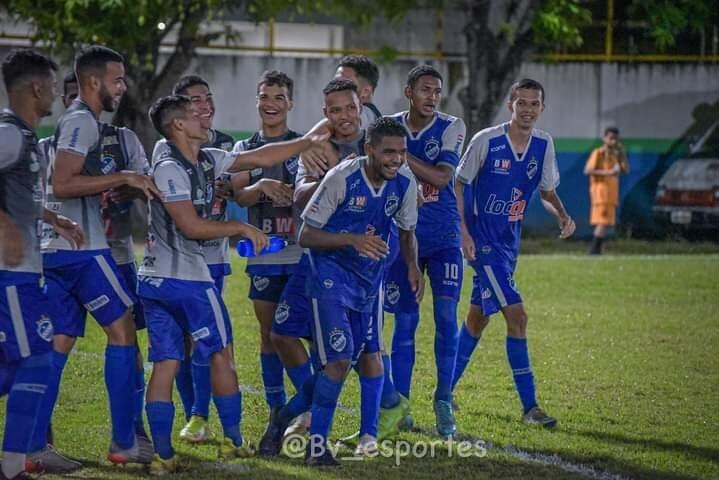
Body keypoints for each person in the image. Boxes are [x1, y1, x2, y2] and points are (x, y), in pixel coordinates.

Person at [140, 94, 328, 474]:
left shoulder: (206, 157)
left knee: (165, 364)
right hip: (187, 280)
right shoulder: (169, 167)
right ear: (178, 125)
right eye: (195, 115)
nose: (204, 117)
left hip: (154, 282)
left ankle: (162, 455)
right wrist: (241, 226)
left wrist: (310, 139)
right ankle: (232, 443)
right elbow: (191, 227)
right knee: (220, 355)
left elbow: (262, 157)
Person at [31, 45, 160, 468]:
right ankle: (125, 443)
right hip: (83, 251)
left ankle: (33, 447)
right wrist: (123, 176)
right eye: (117, 79)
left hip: (55, 249)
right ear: (93, 82)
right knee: (123, 331)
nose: (122, 87)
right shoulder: (82, 122)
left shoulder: (77, 123)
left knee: (58, 343)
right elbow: (64, 183)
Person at [452, 78, 575, 428]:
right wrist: (463, 233)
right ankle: (530, 407)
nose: (528, 110)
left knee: (477, 319)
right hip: (483, 243)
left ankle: (443, 392)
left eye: (534, 104)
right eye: (522, 103)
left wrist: (564, 217)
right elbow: (458, 186)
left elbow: (547, 193)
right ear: (511, 104)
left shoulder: (543, 143)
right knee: (517, 317)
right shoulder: (486, 141)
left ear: (541, 108)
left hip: (509, 245)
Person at [298, 117, 421, 466]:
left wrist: (412, 266)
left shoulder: (405, 183)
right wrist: (352, 240)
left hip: (369, 282)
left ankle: (297, 422)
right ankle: (317, 448)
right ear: (369, 150)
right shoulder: (342, 178)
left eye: (402, 152)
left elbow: (407, 229)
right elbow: (305, 236)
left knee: (363, 357)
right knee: (337, 360)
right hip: (330, 278)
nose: (396, 159)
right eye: (388, 152)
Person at [0, 48, 85, 480]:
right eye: (52, 84)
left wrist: (52, 217)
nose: (55, 92)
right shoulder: (9, 133)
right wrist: (6, 227)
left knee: (13, 366)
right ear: (36, 87)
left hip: (22, 273)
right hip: (10, 276)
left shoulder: (25, 137)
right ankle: (13, 465)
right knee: (35, 359)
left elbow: (19, 195)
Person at [152, 75, 236, 444]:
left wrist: (249, 188)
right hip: (185, 261)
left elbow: (243, 181)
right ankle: (197, 414)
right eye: (194, 101)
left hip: (212, 258)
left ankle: (186, 426)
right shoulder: (167, 152)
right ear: (180, 116)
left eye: (207, 98)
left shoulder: (221, 146)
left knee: (199, 344)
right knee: (196, 344)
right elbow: (184, 217)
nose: (204, 106)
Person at [383, 64, 466, 438]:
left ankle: (444, 398)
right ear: (409, 92)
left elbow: (441, 177)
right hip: (403, 237)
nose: (432, 97)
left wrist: (398, 154)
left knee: (447, 319)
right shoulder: (389, 124)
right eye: (425, 90)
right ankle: (401, 403)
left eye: (437, 91)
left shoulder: (452, 126)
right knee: (405, 322)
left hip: (444, 237)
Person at [229, 70, 310, 455]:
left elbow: (318, 191)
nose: (271, 103)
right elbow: (240, 197)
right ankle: (278, 409)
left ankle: (307, 410)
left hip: (300, 256)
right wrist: (260, 187)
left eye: (278, 97)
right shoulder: (245, 147)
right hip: (263, 256)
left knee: (296, 334)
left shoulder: (303, 145)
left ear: (290, 103)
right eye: (265, 96)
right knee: (267, 335)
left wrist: (295, 195)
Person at [584, 126, 629, 255]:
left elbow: (625, 170)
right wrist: (608, 172)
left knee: (604, 223)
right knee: (602, 222)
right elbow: (588, 170)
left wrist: (622, 155)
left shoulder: (616, 155)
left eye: (616, 139)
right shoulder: (598, 153)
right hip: (601, 193)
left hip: (611, 194)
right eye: (611, 138)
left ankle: (597, 251)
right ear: (604, 138)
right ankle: (594, 251)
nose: (613, 142)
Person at [335, 55, 381, 131]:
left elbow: (311, 139)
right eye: (335, 82)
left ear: (365, 92)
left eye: (344, 83)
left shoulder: (364, 115)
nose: (335, 87)